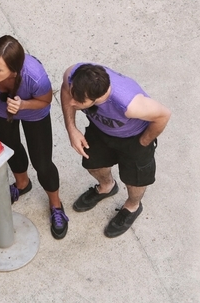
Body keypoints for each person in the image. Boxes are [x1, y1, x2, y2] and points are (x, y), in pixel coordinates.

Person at [60, 63, 171, 238]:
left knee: (135, 180)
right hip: (100, 130)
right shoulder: (73, 75)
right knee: (93, 164)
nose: (71, 102)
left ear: (97, 97)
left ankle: (132, 206)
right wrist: (71, 129)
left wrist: (143, 142)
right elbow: (66, 90)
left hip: (134, 137)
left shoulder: (129, 103)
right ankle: (106, 187)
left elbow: (163, 115)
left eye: (79, 101)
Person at [0, 35, 68, 239]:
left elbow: (45, 100)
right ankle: (22, 184)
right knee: (10, 148)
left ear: (14, 71)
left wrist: (23, 105)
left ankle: (55, 204)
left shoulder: (35, 77)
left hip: (33, 113)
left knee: (42, 163)